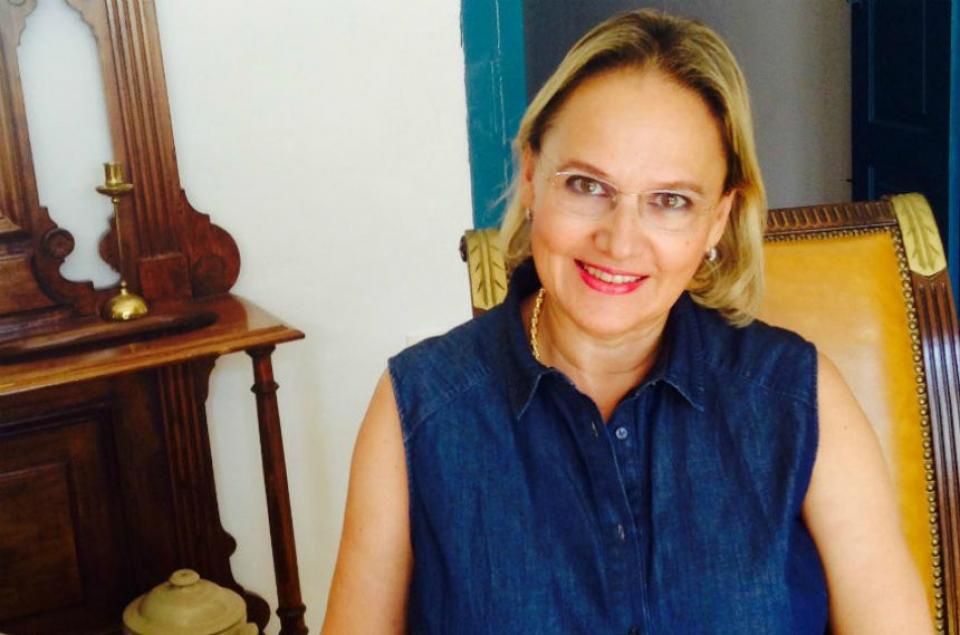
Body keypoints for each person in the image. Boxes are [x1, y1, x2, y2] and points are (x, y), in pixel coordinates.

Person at [322, 9, 932, 634]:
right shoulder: (418, 406)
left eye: (670, 200)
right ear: (531, 178)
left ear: (717, 221)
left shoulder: (800, 398)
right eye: (587, 186)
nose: (619, 241)